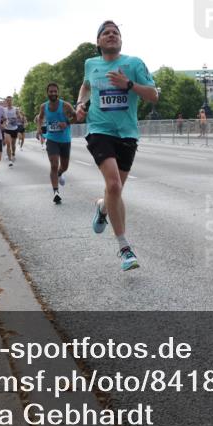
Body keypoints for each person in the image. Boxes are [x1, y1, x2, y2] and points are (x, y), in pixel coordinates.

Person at [76, 20, 157, 271]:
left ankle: (102, 207)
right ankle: (124, 249)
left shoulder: (134, 64)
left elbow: (154, 95)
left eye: (115, 33)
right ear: (99, 42)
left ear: (120, 40)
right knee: (113, 184)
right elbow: (86, 86)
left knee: (115, 191)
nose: (111, 35)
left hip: (127, 133)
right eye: (106, 33)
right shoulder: (91, 64)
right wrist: (80, 104)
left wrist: (129, 85)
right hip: (99, 130)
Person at [36, 82, 76, 204]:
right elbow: (40, 117)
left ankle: (59, 173)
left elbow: (76, 117)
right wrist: (39, 129)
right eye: (51, 91)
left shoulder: (65, 106)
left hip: (65, 140)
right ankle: (56, 192)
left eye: (55, 91)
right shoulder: (44, 106)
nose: (53, 93)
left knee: (64, 166)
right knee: (54, 164)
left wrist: (67, 123)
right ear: (47, 93)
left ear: (58, 92)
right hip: (52, 139)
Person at [2, 96, 23, 166]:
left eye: (10, 101)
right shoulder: (4, 110)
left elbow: (21, 118)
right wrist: (3, 122)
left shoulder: (15, 109)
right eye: (7, 101)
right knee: (8, 144)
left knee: (13, 144)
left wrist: (18, 114)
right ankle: (10, 160)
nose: (9, 102)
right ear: (6, 102)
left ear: (12, 101)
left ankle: (13, 153)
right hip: (7, 129)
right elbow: (1, 118)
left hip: (14, 129)